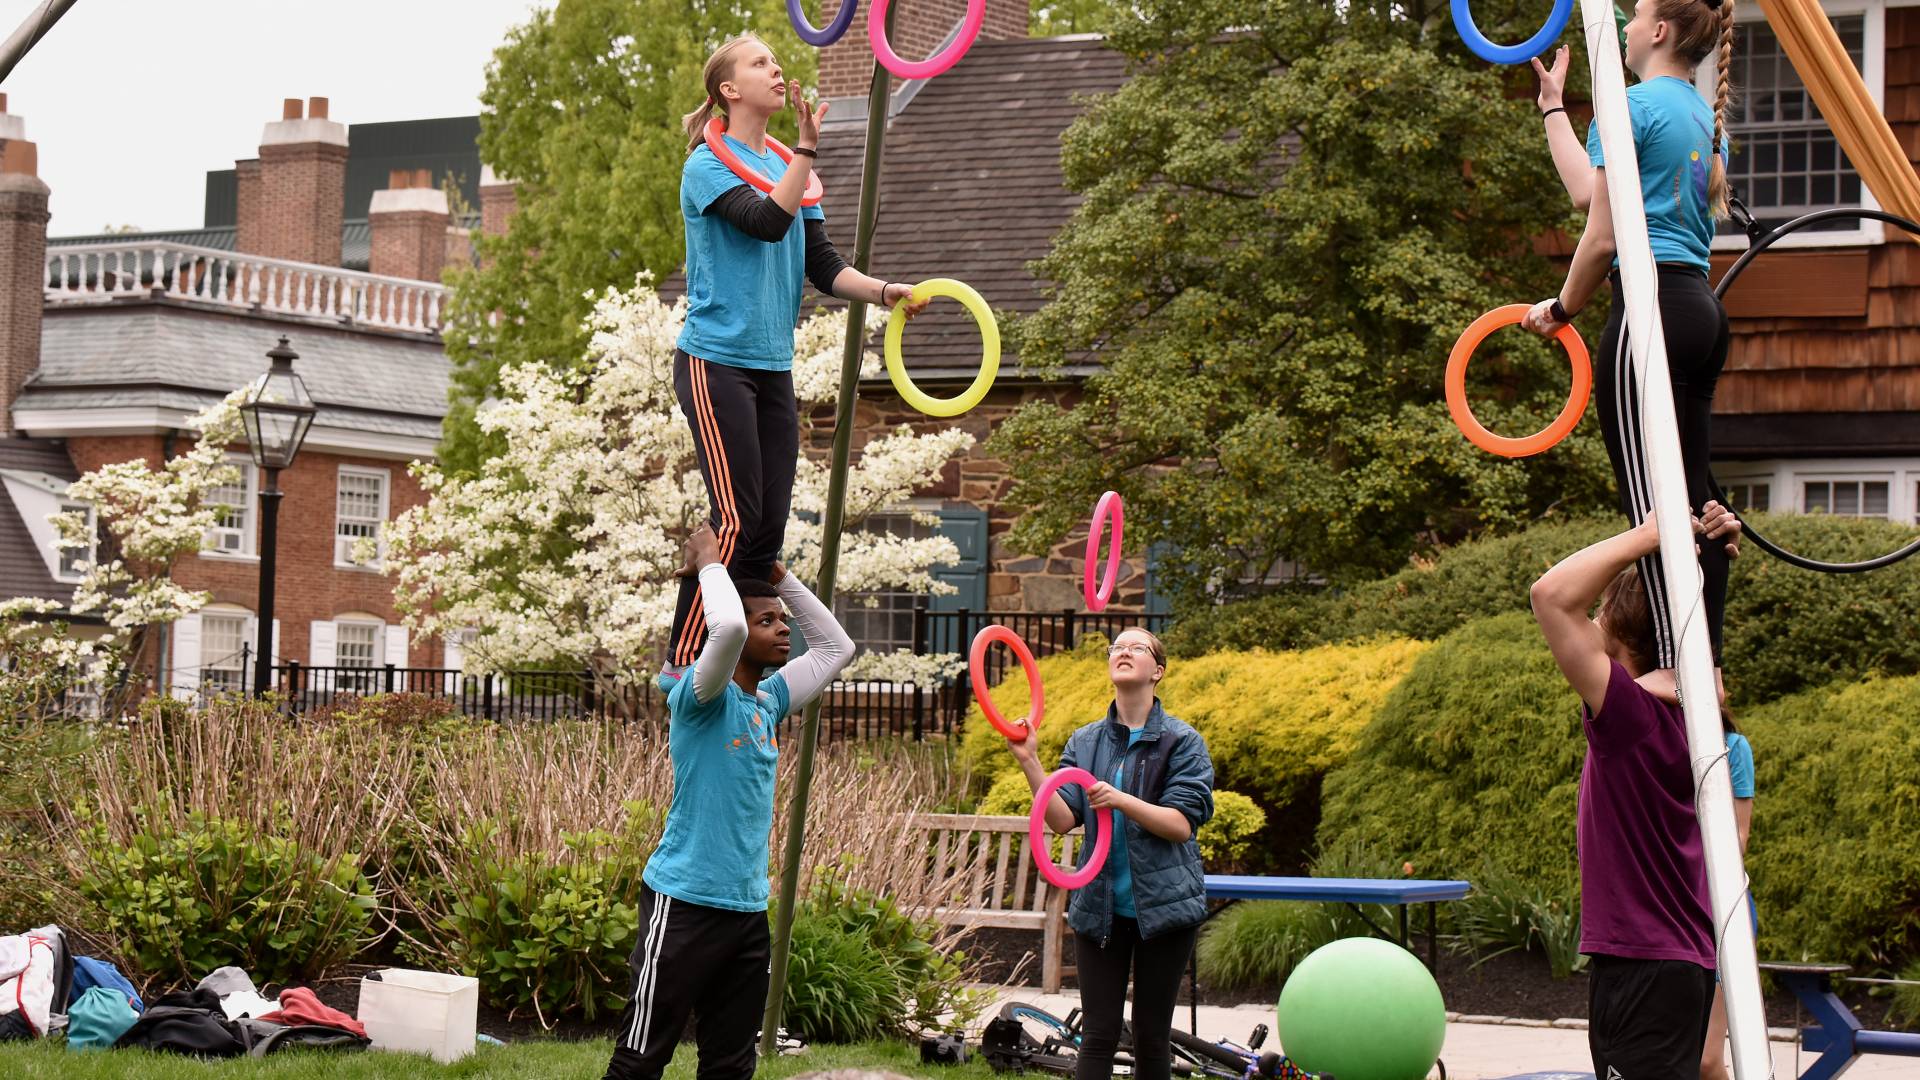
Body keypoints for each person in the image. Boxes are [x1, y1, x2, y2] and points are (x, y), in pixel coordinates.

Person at [661, 33, 926, 689]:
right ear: (728, 89)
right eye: (760, 64)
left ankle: (739, 673)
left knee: (768, 529)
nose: (776, 71)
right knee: (736, 515)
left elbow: (823, 266)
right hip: (714, 360)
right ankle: (681, 663)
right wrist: (807, 148)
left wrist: (885, 292)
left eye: (777, 62)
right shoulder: (707, 165)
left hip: (771, 366)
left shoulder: (790, 167)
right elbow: (764, 223)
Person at [1524, 0, 1738, 676]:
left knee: (1652, 505)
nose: (1623, 23)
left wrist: (1561, 309)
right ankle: (1707, 659)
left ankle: (1676, 665)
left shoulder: (1630, 107)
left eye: (1635, 13)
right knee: (1698, 497)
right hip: (1701, 310)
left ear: (1659, 30)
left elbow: (1604, 239)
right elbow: (1592, 198)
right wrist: (1554, 107)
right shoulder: (1701, 116)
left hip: (1649, 312)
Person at [604, 524, 855, 1080]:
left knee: (731, 1065)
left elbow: (839, 647)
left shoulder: (767, 704)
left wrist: (780, 579)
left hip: (746, 912)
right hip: (685, 903)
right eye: (769, 622)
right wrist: (711, 563)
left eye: (781, 620)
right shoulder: (699, 700)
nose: (783, 628)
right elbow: (727, 627)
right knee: (641, 1059)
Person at [1529, 505, 1743, 1080]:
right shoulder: (1700, 721)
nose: (1592, 621)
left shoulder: (1631, 716)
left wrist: (1653, 534)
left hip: (1643, 965)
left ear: (1623, 637)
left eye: (1602, 616)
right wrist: (1711, 565)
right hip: (1686, 962)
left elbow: (1550, 595)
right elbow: (1702, 667)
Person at [1007, 628, 1215, 1080]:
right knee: (1098, 1035)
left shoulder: (1182, 741)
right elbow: (1062, 819)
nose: (1123, 651)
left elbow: (1180, 825)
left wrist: (1121, 800)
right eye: (1116, 646)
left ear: (1157, 671)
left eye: (1136, 647)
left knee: (1151, 1036)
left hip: (1164, 911)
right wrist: (1029, 761)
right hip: (1099, 907)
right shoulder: (1086, 742)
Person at [1700, 708, 1756, 1080]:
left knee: (1705, 1059)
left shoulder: (1733, 747)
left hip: (1721, 909)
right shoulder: (1656, 746)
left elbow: (1739, 838)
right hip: (1669, 910)